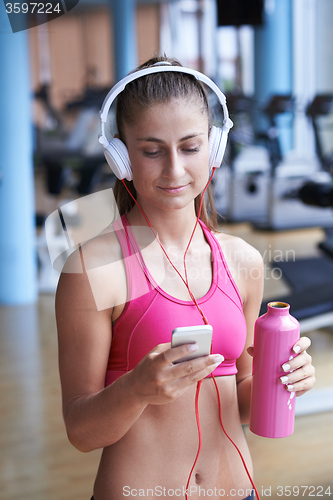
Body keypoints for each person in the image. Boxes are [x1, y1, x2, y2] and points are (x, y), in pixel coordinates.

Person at [55, 56, 316, 500]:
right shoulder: (93, 268)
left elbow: (240, 396)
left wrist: (284, 379)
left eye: (191, 147)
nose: (174, 170)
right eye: (152, 151)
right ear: (121, 156)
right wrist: (137, 389)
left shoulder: (241, 260)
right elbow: (82, 431)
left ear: (213, 148)